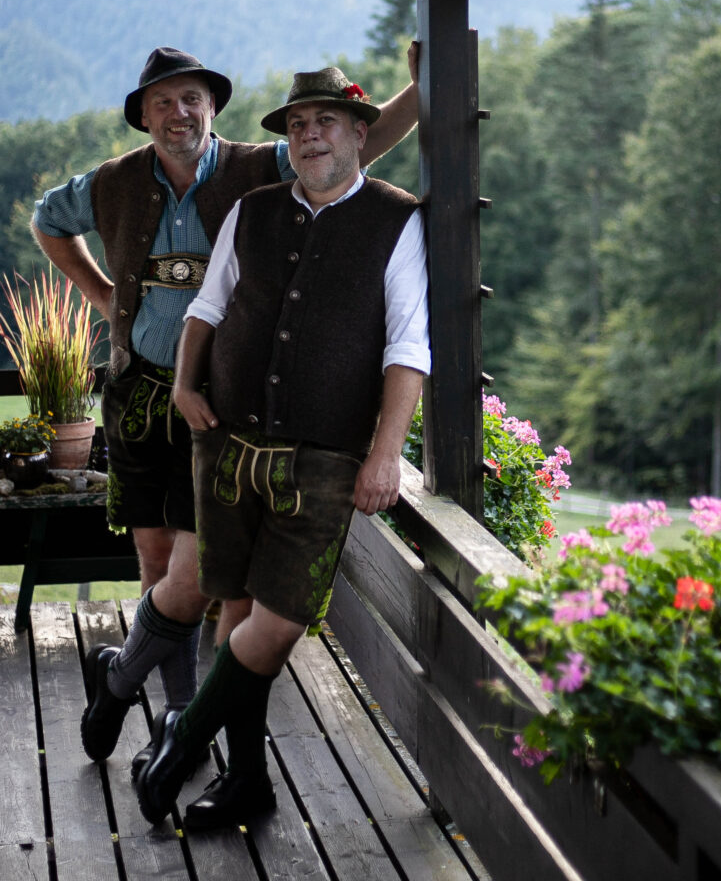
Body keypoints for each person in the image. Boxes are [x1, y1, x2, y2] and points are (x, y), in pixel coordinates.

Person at [30, 45, 419, 776]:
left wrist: (420, 92)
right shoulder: (112, 181)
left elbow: (345, 149)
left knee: (200, 570)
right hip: (140, 391)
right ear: (142, 116)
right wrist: (100, 294)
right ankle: (163, 708)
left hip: (222, 404)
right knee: (155, 559)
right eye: (163, 102)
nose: (179, 113)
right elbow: (47, 221)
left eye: (191, 99)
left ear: (212, 106)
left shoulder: (258, 167)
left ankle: (157, 703)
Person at [135, 65, 429, 828]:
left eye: (326, 122)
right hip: (227, 446)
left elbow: (407, 349)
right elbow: (207, 304)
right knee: (234, 613)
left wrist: (386, 453)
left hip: (325, 460)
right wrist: (183, 383)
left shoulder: (397, 219)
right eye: (298, 125)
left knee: (279, 623)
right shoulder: (254, 209)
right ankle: (247, 783)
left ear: (360, 133)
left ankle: (181, 741)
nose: (310, 135)